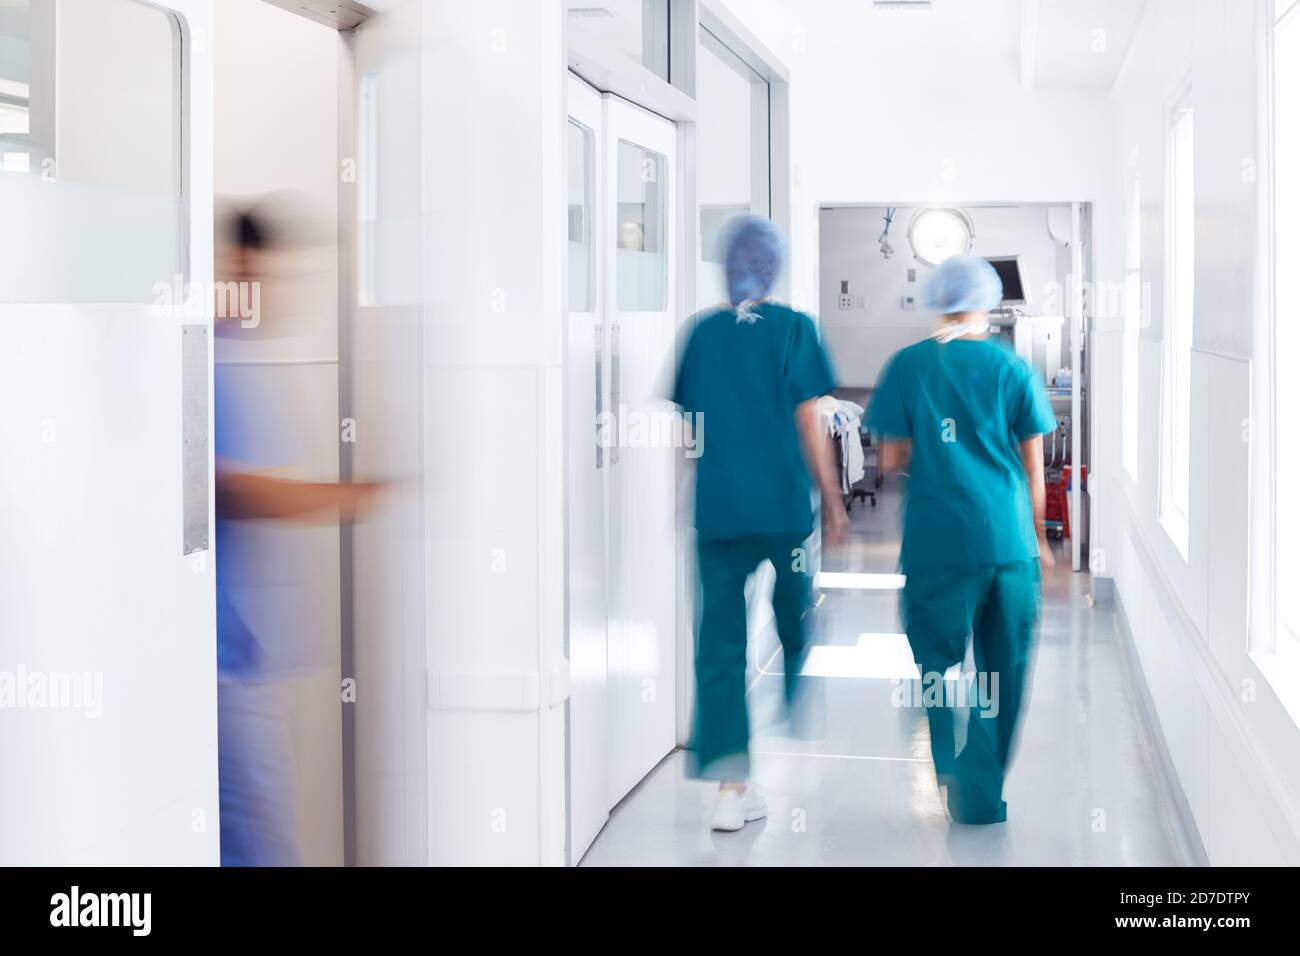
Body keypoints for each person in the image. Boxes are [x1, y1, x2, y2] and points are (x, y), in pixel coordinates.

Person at [214, 198, 383, 865]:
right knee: (262, 844)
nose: (283, 294)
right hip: (217, 668)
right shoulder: (212, 363)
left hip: (246, 659)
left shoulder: (248, 363)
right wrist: (357, 496)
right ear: (243, 266)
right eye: (275, 276)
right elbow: (239, 491)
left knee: (253, 838)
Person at [672, 216, 848, 832]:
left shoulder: (701, 334)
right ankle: (799, 685)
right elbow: (808, 423)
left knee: (718, 643)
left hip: (719, 512)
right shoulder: (795, 328)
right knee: (797, 603)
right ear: (775, 267)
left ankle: (730, 786)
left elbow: (688, 432)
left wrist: (681, 498)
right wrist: (831, 497)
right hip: (781, 509)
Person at [867, 253, 1056, 825]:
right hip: (1006, 543)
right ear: (985, 303)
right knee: (1002, 669)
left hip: (938, 543)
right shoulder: (1011, 369)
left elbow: (892, 455)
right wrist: (1041, 542)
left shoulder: (907, 365)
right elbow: (1033, 468)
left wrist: (940, 449)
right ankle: (978, 796)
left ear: (937, 302)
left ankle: (950, 771)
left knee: (939, 666)